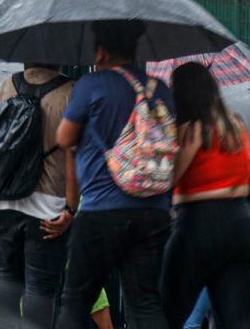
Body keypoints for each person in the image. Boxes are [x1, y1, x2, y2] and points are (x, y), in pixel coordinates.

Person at [54, 20, 174, 329]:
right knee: (146, 302)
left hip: (101, 210)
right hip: (153, 210)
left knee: (76, 300)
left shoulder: (91, 85)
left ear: (102, 50)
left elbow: (64, 139)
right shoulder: (158, 89)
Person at [159, 62, 250, 328]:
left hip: (199, 223)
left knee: (167, 311)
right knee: (238, 319)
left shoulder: (192, 129)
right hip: (243, 221)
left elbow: (171, 177)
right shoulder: (236, 126)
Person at [0, 64, 76, 329]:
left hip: (2, 200)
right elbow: (74, 155)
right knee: (40, 288)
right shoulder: (69, 92)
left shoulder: (6, 86)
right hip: (47, 204)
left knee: (6, 279)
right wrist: (71, 208)